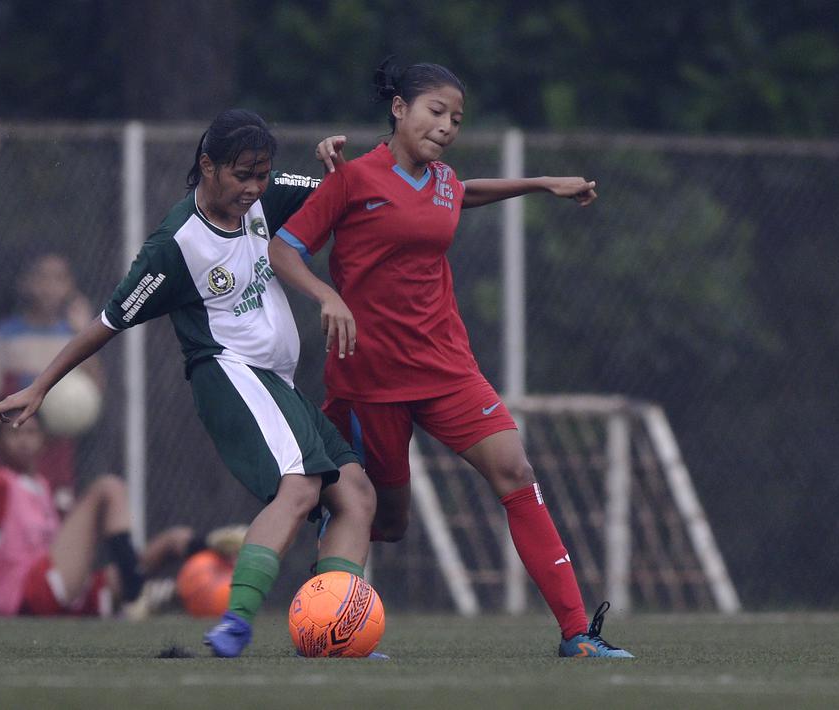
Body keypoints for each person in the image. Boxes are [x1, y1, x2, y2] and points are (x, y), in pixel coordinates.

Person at [269, 59, 632, 658]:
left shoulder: (442, 180)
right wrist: (327, 296)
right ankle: (327, 619)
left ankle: (578, 635)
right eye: (436, 111)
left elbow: (461, 196)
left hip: (445, 368)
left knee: (515, 471)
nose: (446, 126)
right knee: (385, 522)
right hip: (369, 378)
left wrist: (543, 184)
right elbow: (283, 250)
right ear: (399, 109)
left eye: (456, 119)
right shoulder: (351, 178)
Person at [0, 110, 376, 658]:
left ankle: (336, 634)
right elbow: (107, 322)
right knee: (301, 487)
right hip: (229, 374)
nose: (254, 187)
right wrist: (41, 387)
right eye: (242, 174)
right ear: (206, 165)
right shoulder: (176, 247)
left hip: (276, 384)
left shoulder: (266, 196)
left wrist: (334, 165)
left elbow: (341, 193)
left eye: (262, 174)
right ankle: (234, 624)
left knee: (356, 494)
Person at [0, 415, 196, 619]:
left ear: (42, 439)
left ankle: (196, 568)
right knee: (108, 487)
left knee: (172, 541)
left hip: (60, 597)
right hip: (30, 593)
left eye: (31, 432)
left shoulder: (42, 488)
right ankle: (138, 593)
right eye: (14, 434)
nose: (24, 440)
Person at [0, 252, 101, 511]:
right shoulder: (3, 336)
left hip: (58, 454)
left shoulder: (74, 337)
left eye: (58, 279)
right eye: (41, 277)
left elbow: (97, 388)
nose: (48, 287)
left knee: (56, 519)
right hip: (11, 452)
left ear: (69, 287)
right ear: (25, 283)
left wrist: (84, 331)